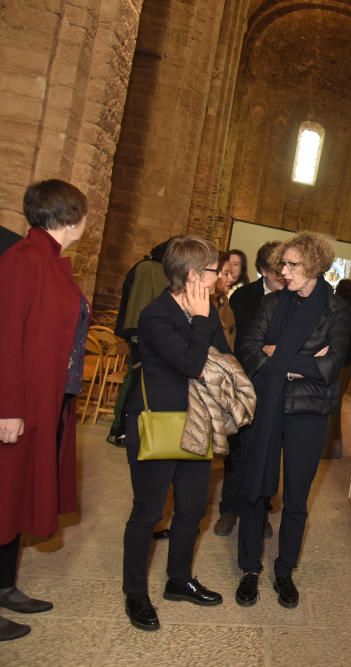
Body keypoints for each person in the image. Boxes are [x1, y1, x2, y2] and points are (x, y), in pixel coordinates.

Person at [235, 233, 351, 609]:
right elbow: (250, 351)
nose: (283, 271)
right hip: (266, 408)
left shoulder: (337, 311)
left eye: (292, 265)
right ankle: (249, 569)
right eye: (281, 264)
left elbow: (331, 366)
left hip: (308, 412)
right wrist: (301, 361)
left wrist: (280, 355)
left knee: (297, 498)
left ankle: (284, 571)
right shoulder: (271, 304)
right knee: (255, 490)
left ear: (315, 266)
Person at [121, 236, 230, 631]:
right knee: (148, 513)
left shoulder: (209, 313)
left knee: (192, 508)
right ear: (193, 275)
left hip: (197, 423)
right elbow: (190, 364)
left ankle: (178, 579)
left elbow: (221, 359)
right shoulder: (156, 315)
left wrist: (205, 326)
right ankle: (135, 593)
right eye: (214, 270)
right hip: (158, 424)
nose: (220, 277)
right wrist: (201, 322)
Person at [0, 180, 90, 641]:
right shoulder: (23, 261)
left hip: (49, 400)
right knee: (2, 498)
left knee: (14, 498)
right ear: (71, 216)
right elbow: (5, 339)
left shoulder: (52, 262)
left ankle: (5, 584)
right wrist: (8, 408)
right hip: (21, 407)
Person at [214, 241, 284, 538]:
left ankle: (259, 511)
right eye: (278, 267)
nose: (284, 272)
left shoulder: (293, 299)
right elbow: (236, 342)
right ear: (263, 270)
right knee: (238, 449)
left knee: (267, 451)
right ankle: (229, 508)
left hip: (276, 387)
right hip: (242, 382)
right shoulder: (244, 297)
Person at [107, 237, 177, 447]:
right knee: (135, 379)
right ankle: (119, 429)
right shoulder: (154, 270)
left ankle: (124, 428)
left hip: (137, 331)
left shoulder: (144, 266)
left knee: (135, 379)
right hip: (143, 334)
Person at [327, 278, 351, 458]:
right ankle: (333, 449)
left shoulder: (344, 310)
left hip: (341, 363)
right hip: (347, 363)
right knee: (335, 405)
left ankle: (327, 449)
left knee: (331, 406)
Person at [213, 251, 238, 350]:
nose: (231, 279)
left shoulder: (224, 303)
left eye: (231, 274)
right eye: (226, 273)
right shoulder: (199, 306)